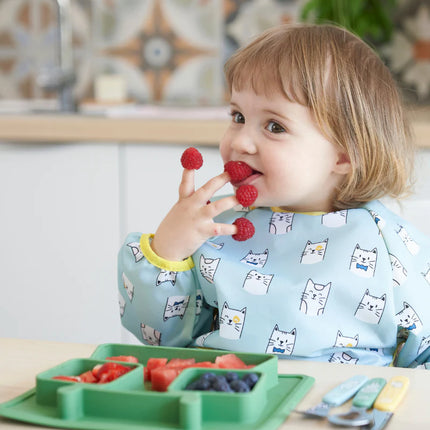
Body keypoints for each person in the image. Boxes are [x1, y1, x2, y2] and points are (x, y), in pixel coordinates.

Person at [118, 23, 430, 367]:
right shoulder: (219, 231)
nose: (239, 142)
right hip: (229, 406)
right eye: (238, 116)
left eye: (274, 126)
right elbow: (158, 337)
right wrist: (169, 249)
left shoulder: (390, 244)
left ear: (342, 156)